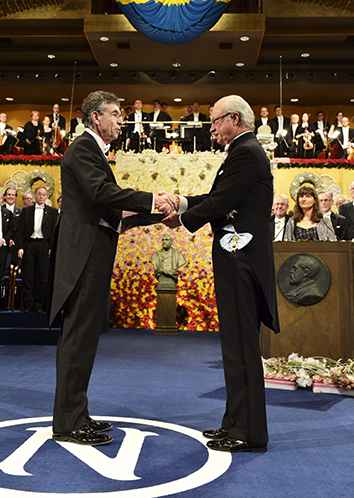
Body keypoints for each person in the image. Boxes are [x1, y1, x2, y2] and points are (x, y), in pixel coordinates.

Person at [49, 90, 176, 447]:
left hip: (93, 253)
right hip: (83, 257)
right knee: (78, 337)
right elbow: (104, 194)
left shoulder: (92, 151)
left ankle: (76, 413)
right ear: (95, 118)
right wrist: (153, 199)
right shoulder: (82, 149)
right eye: (116, 114)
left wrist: (157, 217)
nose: (121, 120)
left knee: (86, 337)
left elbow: (111, 214)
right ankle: (68, 422)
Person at [163, 94, 279, 453]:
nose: (211, 127)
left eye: (214, 121)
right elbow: (218, 196)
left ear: (233, 119)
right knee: (235, 345)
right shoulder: (242, 151)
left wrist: (181, 219)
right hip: (236, 258)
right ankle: (235, 423)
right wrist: (181, 202)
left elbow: (219, 202)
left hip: (241, 260)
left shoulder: (246, 152)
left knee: (241, 346)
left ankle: (249, 432)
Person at [17, 186, 57, 313]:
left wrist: (51, 247)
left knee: (41, 274)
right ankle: (28, 304)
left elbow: (54, 231)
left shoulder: (52, 212)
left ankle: (39, 305)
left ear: (46, 197)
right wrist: (21, 247)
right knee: (28, 274)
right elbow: (20, 230)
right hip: (30, 244)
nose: (41, 196)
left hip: (44, 245)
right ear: (34, 196)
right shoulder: (27, 211)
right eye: (39, 194)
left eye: (44, 195)